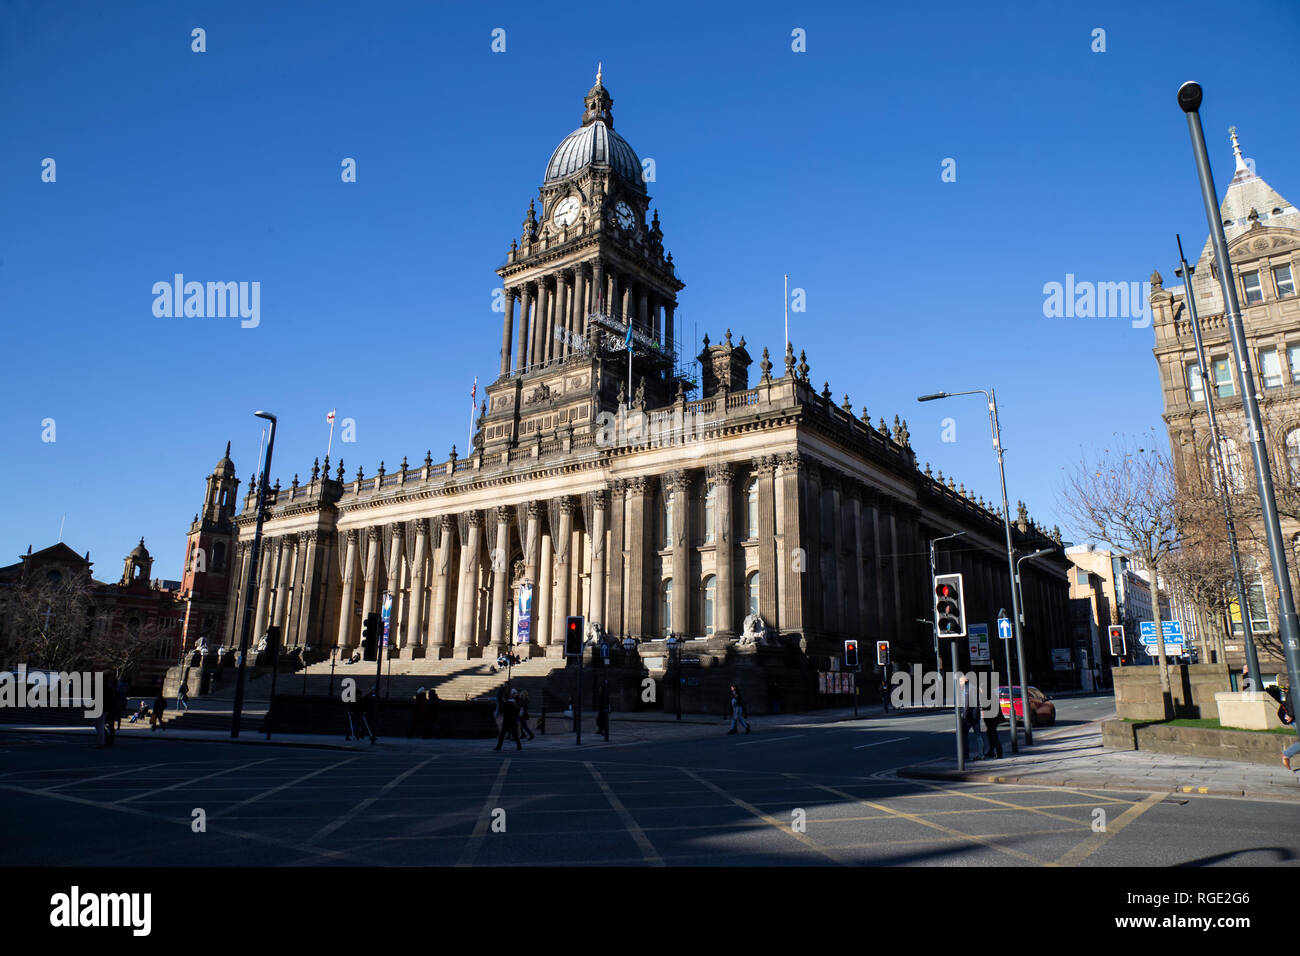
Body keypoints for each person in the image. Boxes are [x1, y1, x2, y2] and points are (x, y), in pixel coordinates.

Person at [981, 686, 1004, 759]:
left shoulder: (989, 696)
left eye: (981, 689)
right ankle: (991, 751)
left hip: (992, 719)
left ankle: (999, 753)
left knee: (993, 735)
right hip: (992, 719)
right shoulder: (990, 695)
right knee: (990, 734)